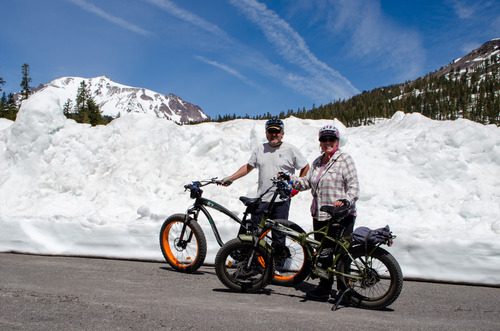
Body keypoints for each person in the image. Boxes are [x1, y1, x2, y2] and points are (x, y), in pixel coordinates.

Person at [289, 124, 359, 301]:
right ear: (320, 142)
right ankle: (324, 287)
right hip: (320, 215)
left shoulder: (345, 160)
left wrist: (346, 200)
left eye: (331, 139)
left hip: (341, 215)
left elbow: (354, 187)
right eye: (324, 139)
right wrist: (289, 179)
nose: (327, 142)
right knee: (324, 253)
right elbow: (307, 183)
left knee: (342, 254)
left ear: (337, 141)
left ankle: (345, 290)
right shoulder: (317, 162)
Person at [221, 118, 309, 259]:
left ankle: (276, 267)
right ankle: (254, 264)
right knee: (256, 234)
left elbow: (305, 166)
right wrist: (231, 178)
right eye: (271, 131)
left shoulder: (290, 150)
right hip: (262, 199)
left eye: (277, 131)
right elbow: (249, 167)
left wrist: (295, 188)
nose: (274, 134)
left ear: (282, 133)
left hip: (281, 200)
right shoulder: (260, 149)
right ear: (266, 133)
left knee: (278, 235)